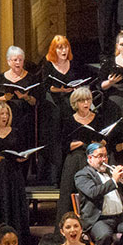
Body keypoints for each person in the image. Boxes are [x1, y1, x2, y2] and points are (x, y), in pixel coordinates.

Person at [74, 143, 123, 245]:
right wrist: (114, 181)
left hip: (120, 217)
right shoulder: (82, 175)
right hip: (98, 219)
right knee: (104, 235)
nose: (104, 159)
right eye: (100, 156)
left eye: (105, 156)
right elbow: (93, 192)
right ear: (90, 158)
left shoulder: (110, 172)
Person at [41, 36, 86, 183]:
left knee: (70, 137)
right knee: (56, 139)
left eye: (65, 47)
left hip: (70, 105)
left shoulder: (73, 64)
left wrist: (76, 87)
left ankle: (72, 174)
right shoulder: (48, 64)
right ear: (54, 50)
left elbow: (80, 80)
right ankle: (56, 177)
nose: (63, 50)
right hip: (54, 106)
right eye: (59, 48)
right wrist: (60, 89)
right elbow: (45, 86)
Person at [0, 102, 30, 232]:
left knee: (14, 206)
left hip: (13, 176)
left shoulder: (16, 132)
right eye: (2, 114)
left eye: (7, 114)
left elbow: (22, 151)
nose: (5, 117)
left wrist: (22, 157)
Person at [58, 87, 107, 220]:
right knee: (69, 194)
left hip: (93, 159)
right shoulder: (69, 120)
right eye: (81, 101)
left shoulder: (98, 118)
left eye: (88, 100)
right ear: (75, 103)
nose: (86, 103)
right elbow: (64, 146)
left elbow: (104, 141)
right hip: (74, 159)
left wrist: (97, 142)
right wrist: (81, 142)